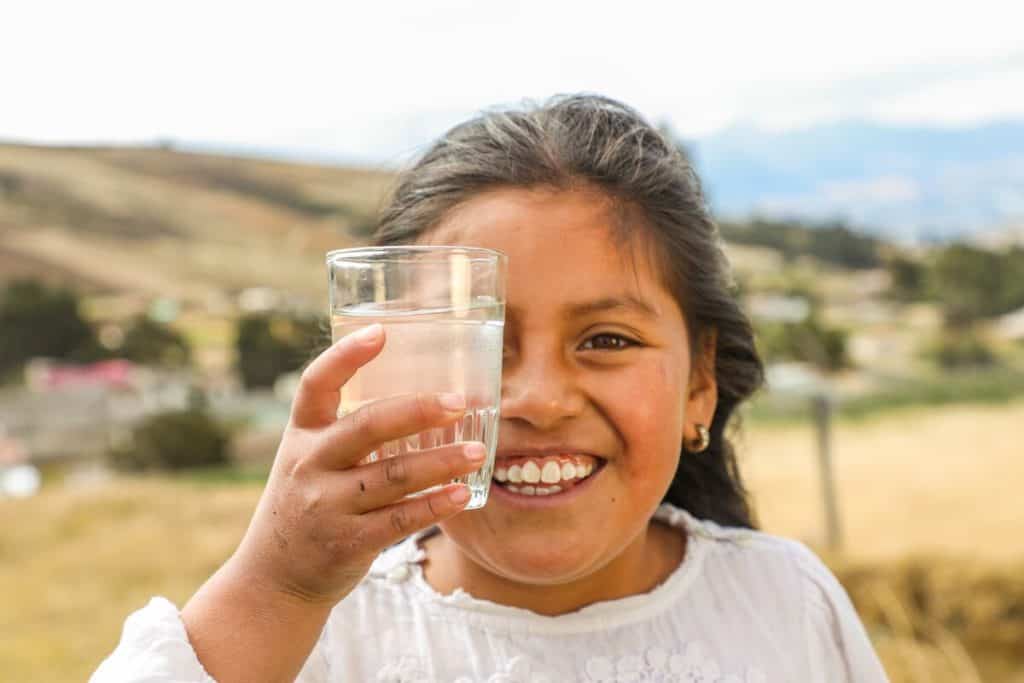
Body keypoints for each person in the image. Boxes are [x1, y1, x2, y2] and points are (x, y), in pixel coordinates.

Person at [92, 95, 889, 682]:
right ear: (382, 363)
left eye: (606, 339)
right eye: (482, 343)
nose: (540, 399)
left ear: (700, 386)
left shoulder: (784, 604)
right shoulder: (319, 638)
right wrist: (278, 583)